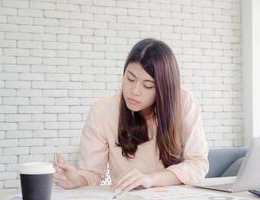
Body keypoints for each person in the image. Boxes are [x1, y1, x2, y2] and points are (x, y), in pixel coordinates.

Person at [53, 38, 209, 193]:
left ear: (163, 89)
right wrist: (77, 180)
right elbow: (92, 173)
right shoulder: (103, 111)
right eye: (130, 79)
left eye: (148, 85)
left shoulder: (183, 103)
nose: (134, 91)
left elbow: (197, 165)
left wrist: (150, 179)